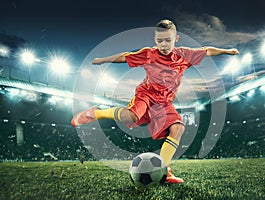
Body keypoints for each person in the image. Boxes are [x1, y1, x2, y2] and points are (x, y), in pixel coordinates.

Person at [71, 19, 239, 183]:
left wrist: (227, 51)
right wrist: (103, 60)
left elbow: (207, 50)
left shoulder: (184, 55)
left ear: (176, 39)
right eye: (160, 41)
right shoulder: (149, 54)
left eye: (168, 40)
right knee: (130, 117)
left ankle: (164, 170)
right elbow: (125, 56)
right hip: (146, 94)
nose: (164, 45)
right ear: (155, 40)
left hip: (164, 103)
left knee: (178, 128)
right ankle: (96, 113)